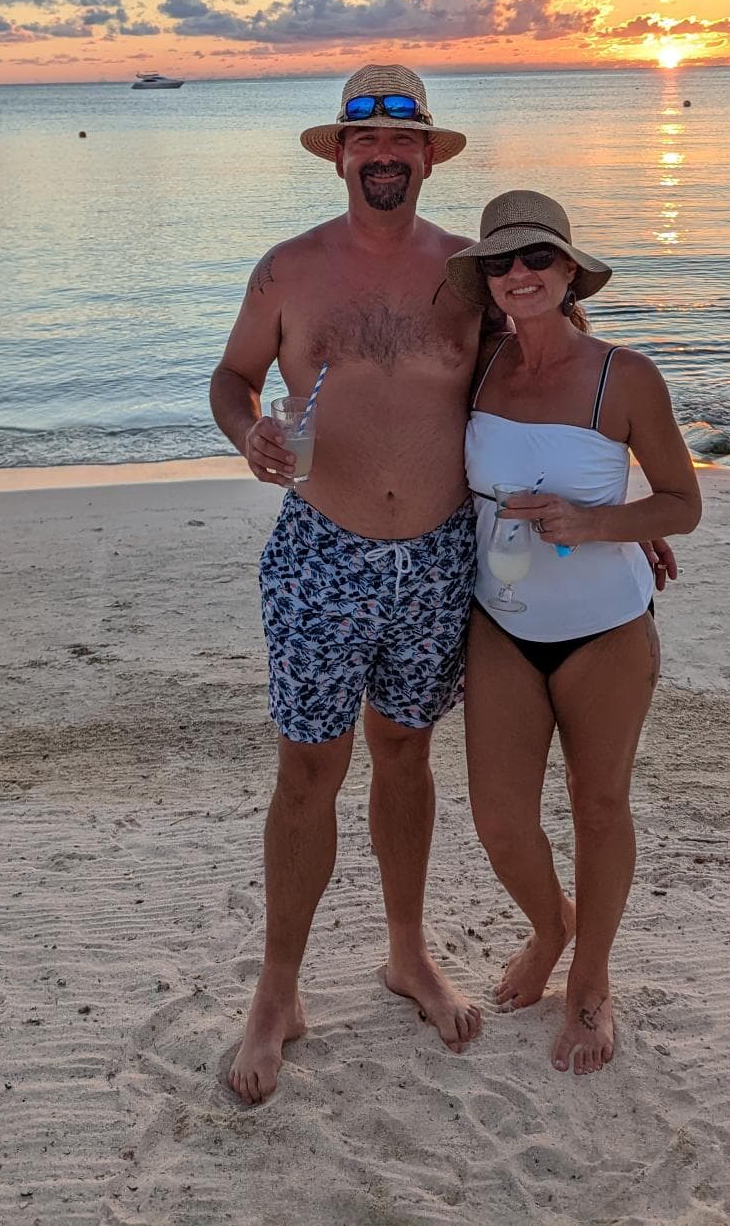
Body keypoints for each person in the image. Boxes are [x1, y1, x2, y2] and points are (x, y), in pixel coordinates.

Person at [210, 64, 492, 1105]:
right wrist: (251, 434)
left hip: (438, 553)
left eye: (403, 142)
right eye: (365, 143)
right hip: (322, 550)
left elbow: (551, 381)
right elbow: (232, 378)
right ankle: (278, 989)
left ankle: (407, 952)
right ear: (340, 154)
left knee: (407, 754)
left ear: (426, 153)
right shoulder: (289, 270)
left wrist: (618, 517)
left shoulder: (472, 271)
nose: (384, 157)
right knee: (306, 774)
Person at [446, 190, 701, 1078]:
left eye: (537, 260)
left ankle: (590, 980)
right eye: (502, 263)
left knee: (599, 806)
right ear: (485, 281)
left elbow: (684, 503)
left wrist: (597, 523)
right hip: (501, 622)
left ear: (567, 272)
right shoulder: (476, 368)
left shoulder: (624, 376)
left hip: (606, 628)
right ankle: (552, 924)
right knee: (499, 817)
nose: (519, 274)